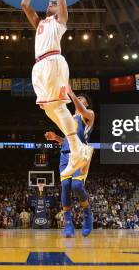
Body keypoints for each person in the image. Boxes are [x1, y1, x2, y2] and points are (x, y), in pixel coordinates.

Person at [21, 0, 92, 179]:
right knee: (48, 108)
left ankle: (78, 151)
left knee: (58, 106)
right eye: (49, 3)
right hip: (39, 66)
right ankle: (79, 149)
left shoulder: (59, 21)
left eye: (53, 4)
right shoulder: (39, 23)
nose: (49, 4)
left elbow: (62, 7)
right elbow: (25, 6)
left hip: (53, 60)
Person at [44, 88, 94, 237]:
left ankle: (87, 215)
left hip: (80, 154)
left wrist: (71, 94)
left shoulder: (89, 115)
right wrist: (56, 138)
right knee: (65, 185)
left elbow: (81, 109)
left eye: (82, 99)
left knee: (77, 185)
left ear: (86, 104)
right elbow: (66, 141)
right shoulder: (69, 119)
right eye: (78, 98)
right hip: (65, 155)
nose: (79, 100)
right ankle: (68, 223)